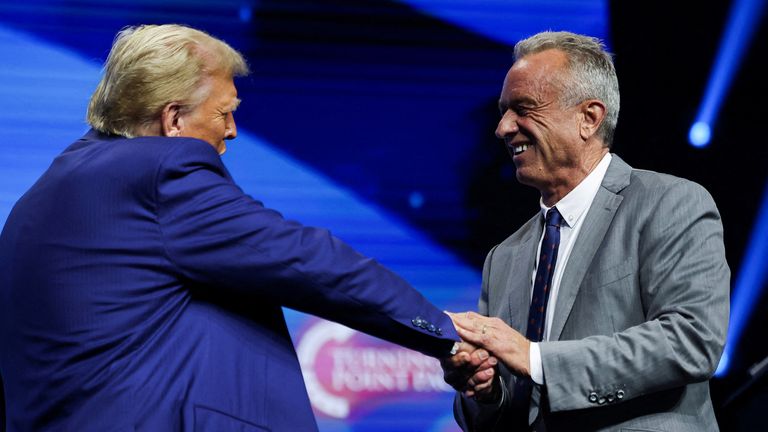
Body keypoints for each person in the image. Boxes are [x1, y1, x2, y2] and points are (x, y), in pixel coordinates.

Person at [0, 24, 478, 431]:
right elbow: (306, 260)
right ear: (173, 119)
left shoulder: (51, 188)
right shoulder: (160, 174)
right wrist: (444, 333)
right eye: (224, 112)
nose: (230, 131)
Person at [441, 31, 730, 431]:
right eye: (503, 111)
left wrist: (535, 357)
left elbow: (690, 341)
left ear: (589, 118)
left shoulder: (670, 203)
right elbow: (499, 412)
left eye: (523, 108)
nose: (503, 128)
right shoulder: (503, 258)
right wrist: (485, 389)